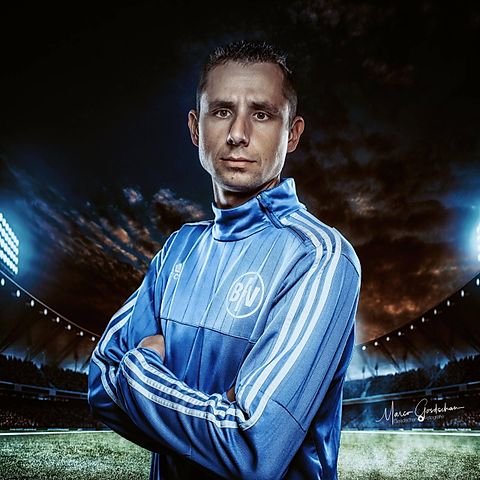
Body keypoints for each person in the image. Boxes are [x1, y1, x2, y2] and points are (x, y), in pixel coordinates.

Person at [88, 39, 361, 479]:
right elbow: (100, 386)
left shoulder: (318, 257)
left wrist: (140, 372)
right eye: (221, 111)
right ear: (195, 128)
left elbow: (251, 451)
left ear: (292, 134)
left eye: (261, 114)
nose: (238, 133)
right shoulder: (177, 250)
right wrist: (216, 416)